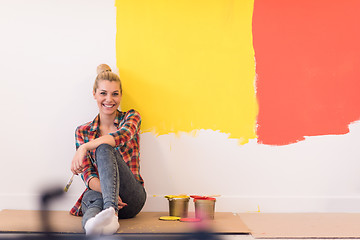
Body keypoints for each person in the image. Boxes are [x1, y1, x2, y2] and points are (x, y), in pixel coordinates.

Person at [70, 64, 146, 235]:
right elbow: (88, 176)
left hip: (130, 198)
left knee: (104, 147)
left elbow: (121, 137)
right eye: (103, 93)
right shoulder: (82, 132)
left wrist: (85, 147)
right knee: (90, 197)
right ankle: (91, 225)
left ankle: (110, 214)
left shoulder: (132, 117)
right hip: (102, 195)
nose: (109, 99)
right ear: (94, 94)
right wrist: (108, 194)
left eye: (115, 94)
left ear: (121, 96)